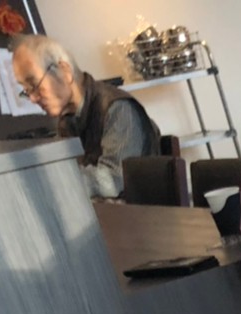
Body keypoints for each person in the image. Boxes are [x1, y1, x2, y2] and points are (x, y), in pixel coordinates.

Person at [9, 35, 160, 199]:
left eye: (34, 85)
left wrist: (52, 181)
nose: (32, 98)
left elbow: (112, 180)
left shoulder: (118, 108)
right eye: (27, 90)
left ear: (65, 71)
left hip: (142, 212)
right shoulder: (68, 120)